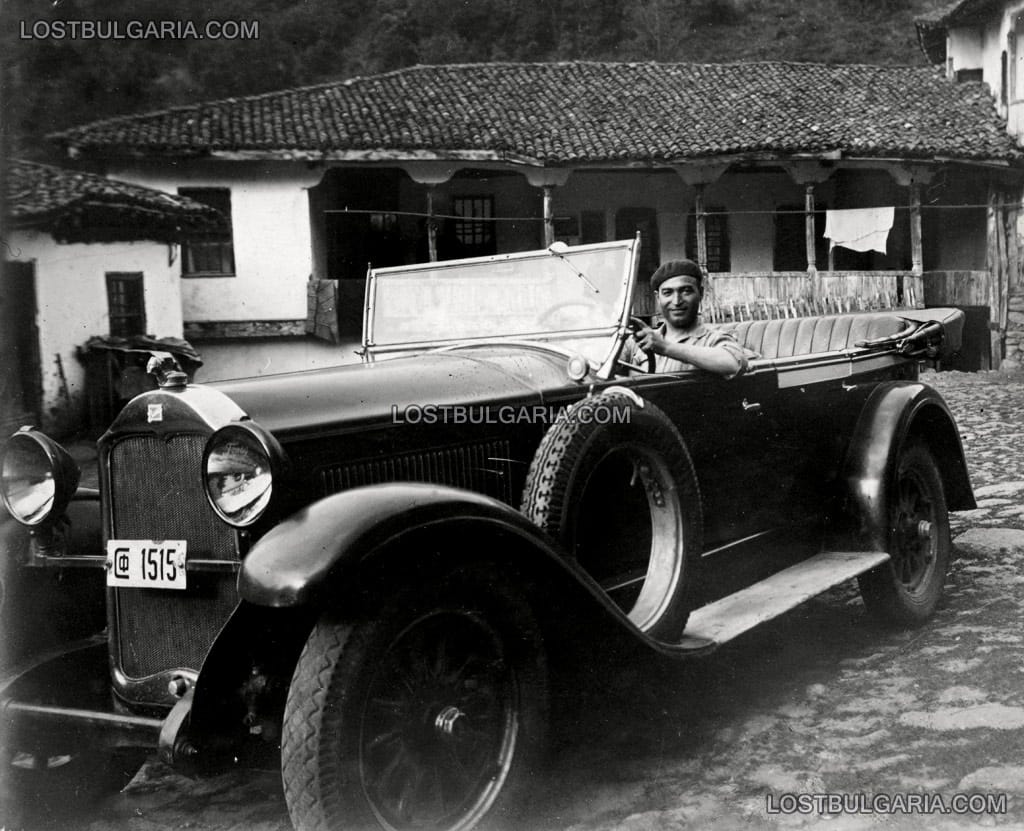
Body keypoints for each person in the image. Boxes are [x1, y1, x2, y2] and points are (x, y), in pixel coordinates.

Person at [621, 259, 747, 377]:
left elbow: (734, 364)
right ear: (658, 298)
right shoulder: (637, 342)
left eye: (686, 291)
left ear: (701, 293)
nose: (676, 301)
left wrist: (665, 347)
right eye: (667, 293)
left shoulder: (713, 339)